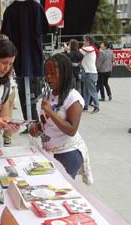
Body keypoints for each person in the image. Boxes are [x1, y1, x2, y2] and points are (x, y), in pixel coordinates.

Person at [28, 53, 91, 183]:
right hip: (49, 152)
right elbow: (48, 124)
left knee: (61, 190)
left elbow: (71, 130)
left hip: (67, 153)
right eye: (47, 73)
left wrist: (51, 112)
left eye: (53, 73)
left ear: (64, 74)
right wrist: (37, 128)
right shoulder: (50, 95)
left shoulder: (73, 98)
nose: (49, 78)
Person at [80, 35, 100, 112]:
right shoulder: (89, 48)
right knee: (86, 90)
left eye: (84, 40)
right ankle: (86, 105)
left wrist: (68, 48)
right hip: (87, 72)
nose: (83, 42)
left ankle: (96, 106)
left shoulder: (90, 48)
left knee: (92, 90)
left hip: (90, 73)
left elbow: (78, 51)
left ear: (88, 42)